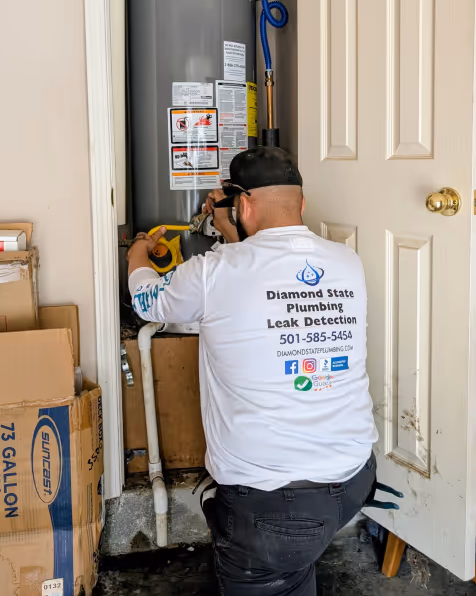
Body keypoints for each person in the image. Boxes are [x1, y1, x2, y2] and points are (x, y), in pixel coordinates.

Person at [127, 147, 378, 596]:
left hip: (271, 503)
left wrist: (138, 252)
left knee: (278, 572)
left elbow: (148, 301)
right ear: (301, 203)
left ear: (243, 205)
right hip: (352, 476)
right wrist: (234, 231)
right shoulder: (347, 261)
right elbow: (262, 273)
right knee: (295, 567)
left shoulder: (213, 272)